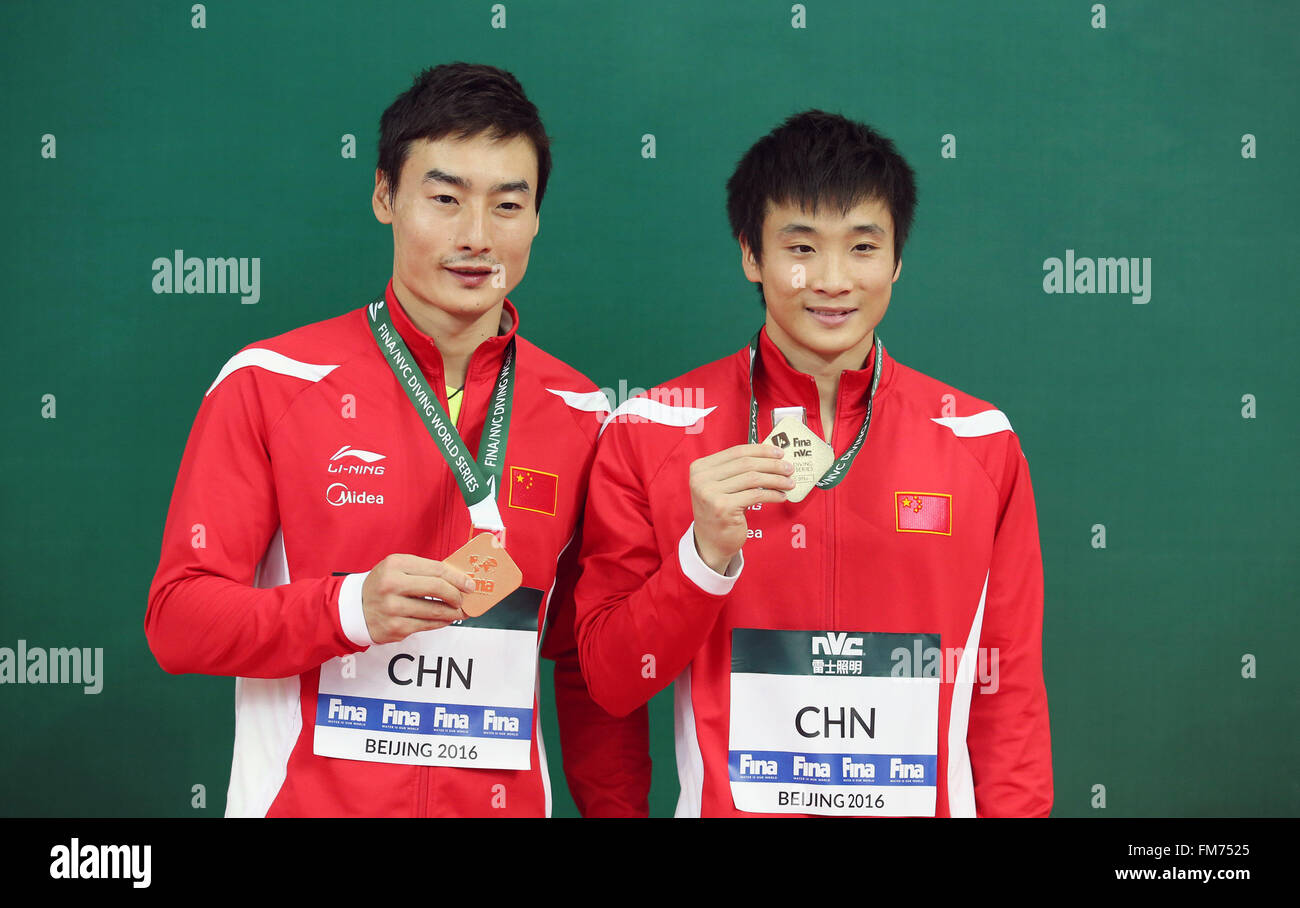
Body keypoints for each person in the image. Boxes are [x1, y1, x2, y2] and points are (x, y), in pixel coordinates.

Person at [145, 62, 649, 817]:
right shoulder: (271, 381)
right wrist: (348, 610)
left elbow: (586, 661)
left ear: (537, 217)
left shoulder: (581, 411)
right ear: (385, 196)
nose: (476, 237)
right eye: (444, 200)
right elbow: (178, 621)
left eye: (508, 205)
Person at [574, 110, 1052, 817]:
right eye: (801, 246)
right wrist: (701, 559)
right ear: (751, 254)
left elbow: (1007, 692)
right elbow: (611, 683)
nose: (831, 280)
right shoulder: (653, 430)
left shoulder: (978, 440)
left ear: (896, 259)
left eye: (863, 247)